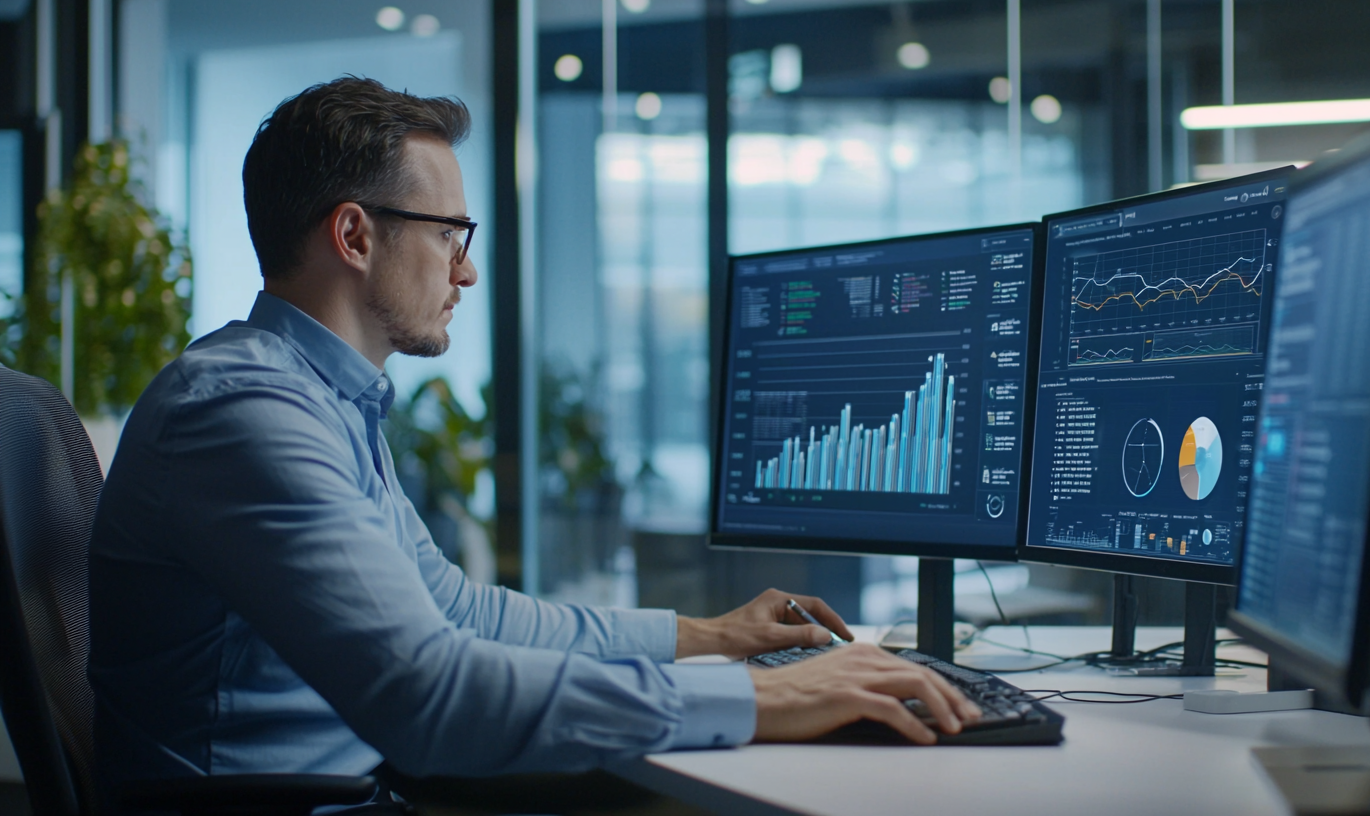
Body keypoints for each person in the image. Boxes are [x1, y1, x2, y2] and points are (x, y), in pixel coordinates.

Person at [88, 77, 976, 798]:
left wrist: (706, 637)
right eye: (449, 236)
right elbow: (429, 696)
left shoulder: (320, 401)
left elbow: (460, 613)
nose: (466, 269)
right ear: (355, 235)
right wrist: (763, 694)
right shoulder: (243, 414)